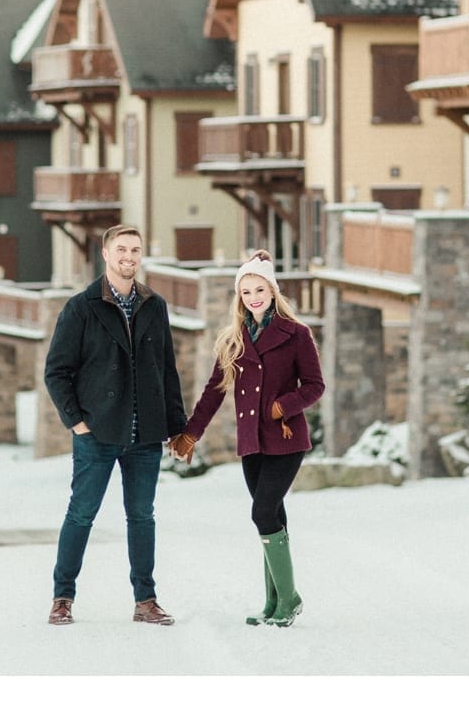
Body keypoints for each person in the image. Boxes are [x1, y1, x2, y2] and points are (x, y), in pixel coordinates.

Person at [169, 250, 325, 627]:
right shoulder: (233, 340)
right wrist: (191, 433)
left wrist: (282, 407)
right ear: (239, 297)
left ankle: (289, 599)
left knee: (262, 512)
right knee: (271, 516)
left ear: (272, 291)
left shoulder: (296, 333)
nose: (253, 297)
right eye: (246, 291)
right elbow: (213, 392)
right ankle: (274, 604)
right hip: (252, 443)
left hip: (286, 439)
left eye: (259, 289)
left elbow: (315, 386)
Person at [43, 224, 188, 626]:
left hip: (145, 435)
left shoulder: (153, 306)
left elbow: (168, 371)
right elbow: (56, 372)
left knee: (142, 516)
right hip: (98, 434)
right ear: (105, 254)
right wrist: (77, 423)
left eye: (135, 250)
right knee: (81, 515)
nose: (129, 256)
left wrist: (179, 427)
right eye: (121, 249)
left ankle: (146, 601)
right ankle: (62, 598)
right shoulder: (81, 307)